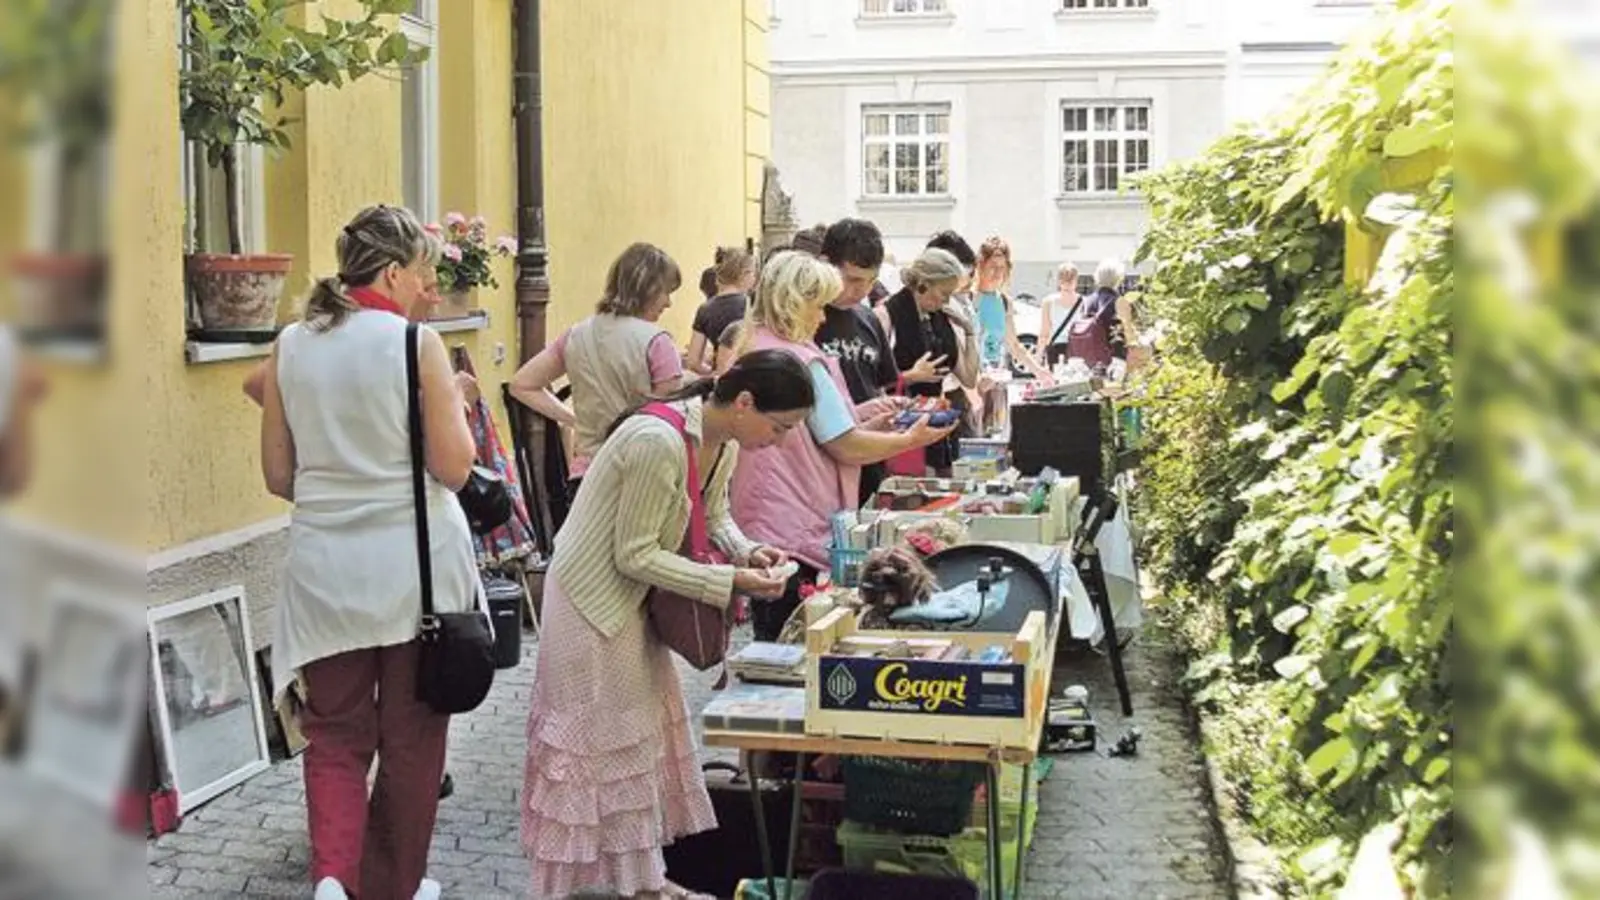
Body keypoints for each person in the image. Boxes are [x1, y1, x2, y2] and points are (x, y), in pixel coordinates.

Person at [519, 351, 804, 900]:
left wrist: (750, 551)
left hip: (634, 602)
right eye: (780, 426)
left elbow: (713, 515)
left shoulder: (719, 438)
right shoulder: (656, 440)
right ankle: (570, 887)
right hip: (591, 606)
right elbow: (634, 554)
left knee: (637, 744)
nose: (783, 440)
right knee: (594, 748)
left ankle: (642, 882)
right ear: (744, 404)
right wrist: (730, 583)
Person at [257, 204, 480, 900]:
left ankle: (332, 880)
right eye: (425, 274)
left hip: (324, 570)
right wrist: (457, 407)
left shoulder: (290, 343)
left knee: (334, 736)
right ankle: (391, 888)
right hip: (413, 575)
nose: (432, 290)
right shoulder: (416, 346)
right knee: (410, 740)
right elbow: (455, 468)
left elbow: (278, 476)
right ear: (392, 271)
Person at [731, 251, 954, 640]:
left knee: (771, 636)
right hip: (796, 517)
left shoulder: (752, 343)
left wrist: (869, 414)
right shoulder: (799, 360)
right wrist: (909, 438)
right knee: (794, 640)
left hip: (764, 512)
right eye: (818, 307)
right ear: (795, 303)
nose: (822, 318)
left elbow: (813, 428)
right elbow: (844, 445)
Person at [507, 242, 687, 502]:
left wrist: (573, 418)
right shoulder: (657, 343)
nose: (669, 303)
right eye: (666, 292)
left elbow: (521, 384)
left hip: (588, 475)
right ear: (648, 288)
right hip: (641, 476)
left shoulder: (576, 335)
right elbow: (671, 421)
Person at [813, 219, 939, 502]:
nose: (861, 291)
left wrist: (896, 409)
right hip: (824, 462)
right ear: (825, 265)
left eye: (870, 281)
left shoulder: (868, 319)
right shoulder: (809, 319)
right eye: (853, 279)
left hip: (870, 461)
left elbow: (882, 384)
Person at [875, 248, 979, 474]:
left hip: (936, 430)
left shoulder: (939, 318)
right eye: (944, 293)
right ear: (923, 285)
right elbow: (871, 383)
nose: (946, 300)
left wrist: (970, 332)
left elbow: (969, 378)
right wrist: (911, 376)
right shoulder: (886, 315)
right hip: (900, 430)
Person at [972, 236, 1053, 382]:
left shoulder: (1004, 302)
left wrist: (1039, 371)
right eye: (993, 266)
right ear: (981, 266)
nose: (997, 273)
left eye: (1002, 267)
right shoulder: (968, 298)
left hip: (996, 380)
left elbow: (1015, 346)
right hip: (971, 383)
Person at [686, 246, 756, 375]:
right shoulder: (752, 305)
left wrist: (714, 373)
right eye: (753, 273)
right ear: (744, 274)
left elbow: (693, 362)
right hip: (753, 373)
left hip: (723, 377)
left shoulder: (705, 309)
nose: (754, 278)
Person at [1067, 258, 1143, 372]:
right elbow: (1128, 331)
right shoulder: (1119, 301)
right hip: (1114, 359)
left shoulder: (1086, 300)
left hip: (1088, 359)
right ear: (1119, 278)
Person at [1037, 262, 1084, 367]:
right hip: (1077, 350)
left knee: (1056, 381)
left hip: (1055, 348)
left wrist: (1038, 357)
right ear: (1076, 281)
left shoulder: (1048, 302)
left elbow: (1044, 333)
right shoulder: (1084, 302)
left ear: (1059, 281)